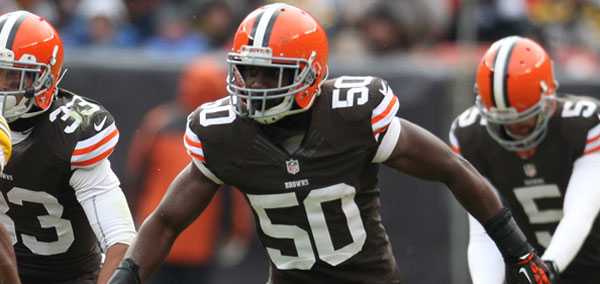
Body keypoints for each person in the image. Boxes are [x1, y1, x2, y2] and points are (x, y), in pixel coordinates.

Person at [109, 3, 554, 284]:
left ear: (311, 71)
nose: (255, 85)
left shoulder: (352, 115)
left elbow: (454, 170)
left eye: (273, 73)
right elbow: (165, 221)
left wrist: (519, 251)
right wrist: (125, 277)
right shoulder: (225, 132)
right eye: (248, 70)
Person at [449, 36, 600, 284]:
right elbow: (484, 232)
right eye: (503, 123)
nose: (515, 129)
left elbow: (579, 214)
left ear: (548, 98)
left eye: (524, 119)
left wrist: (547, 268)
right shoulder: (471, 135)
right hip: (531, 266)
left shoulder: (583, 124)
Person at [0, 10, 136, 284]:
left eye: (12, 78)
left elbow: (121, 241)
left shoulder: (69, 135)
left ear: (44, 80)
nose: (1, 88)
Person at [127, 57, 253, 284]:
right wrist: (238, 231)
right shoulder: (226, 131)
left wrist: (134, 221)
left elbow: (136, 176)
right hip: (199, 242)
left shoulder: (158, 122)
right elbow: (236, 191)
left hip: (155, 235)